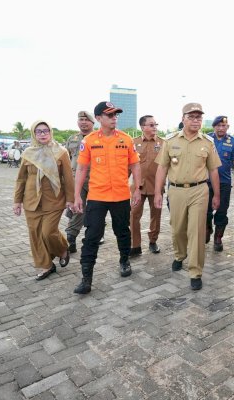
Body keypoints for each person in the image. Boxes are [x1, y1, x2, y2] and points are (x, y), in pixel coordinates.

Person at [73, 101, 142, 294]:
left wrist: (137, 189)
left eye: (115, 115)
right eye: (110, 115)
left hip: (120, 195)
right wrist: (77, 195)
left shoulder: (127, 139)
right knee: (92, 236)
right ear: (99, 118)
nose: (114, 118)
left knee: (122, 231)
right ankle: (86, 278)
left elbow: (135, 165)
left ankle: (124, 260)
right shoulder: (89, 141)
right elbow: (81, 168)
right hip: (97, 196)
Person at [154, 103, 221, 290]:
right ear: (183, 118)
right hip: (175, 191)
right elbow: (162, 168)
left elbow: (214, 170)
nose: (196, 120)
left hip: (199, 190)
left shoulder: (208, 142)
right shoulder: (170, 141)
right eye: (191, 117)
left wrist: (217, 195)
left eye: (199, 117)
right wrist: (158, 192)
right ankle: (179, 254)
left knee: (197, 232)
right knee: (177, 229)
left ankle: (195, 271)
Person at [13, 120, 74, 280]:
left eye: (45, 130)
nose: (42, 134)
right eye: (39, 131)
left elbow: (68, 178)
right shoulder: (27, 153)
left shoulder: (61, 152)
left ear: (50, 132)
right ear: (34, 133)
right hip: (31, 200)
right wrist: (17, 201)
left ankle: (62, 249)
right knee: (35, 235)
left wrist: (70, 200)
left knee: (48, 232)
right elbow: (21, 179)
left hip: (54, 200)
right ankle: (45, 265)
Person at [129, 115, 164, 257]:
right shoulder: (133, 142)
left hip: (156, 187)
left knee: (156, 215)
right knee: (133, 215)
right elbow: (128, 165)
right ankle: (135, 245)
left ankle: (152, 241)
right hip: (138, 187)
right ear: (143, 127)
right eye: (151, 125)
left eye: (156, 124)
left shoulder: (163, 143)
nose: (154, 127)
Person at [206, 115, 234, 251]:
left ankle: (218, 238)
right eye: (218, 126)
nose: (221, 128)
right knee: (205, 211)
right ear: (214, 127)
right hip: (206, 182)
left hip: (224, 183)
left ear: (228, 127)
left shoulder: (232, 142)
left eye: (224, 126)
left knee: (221, 211)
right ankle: (207, 228)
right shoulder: (206, 139)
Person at [65, 111, 99, 253]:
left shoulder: (99, 137)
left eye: (86, 119)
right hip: (76, 180)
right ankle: (71, 239)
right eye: (81, 119)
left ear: (93, 122)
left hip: (95, 180)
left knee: (95, 211)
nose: (83, 122)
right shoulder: (72, 139)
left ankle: (94, 236)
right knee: (76, 210)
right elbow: (66, 160)